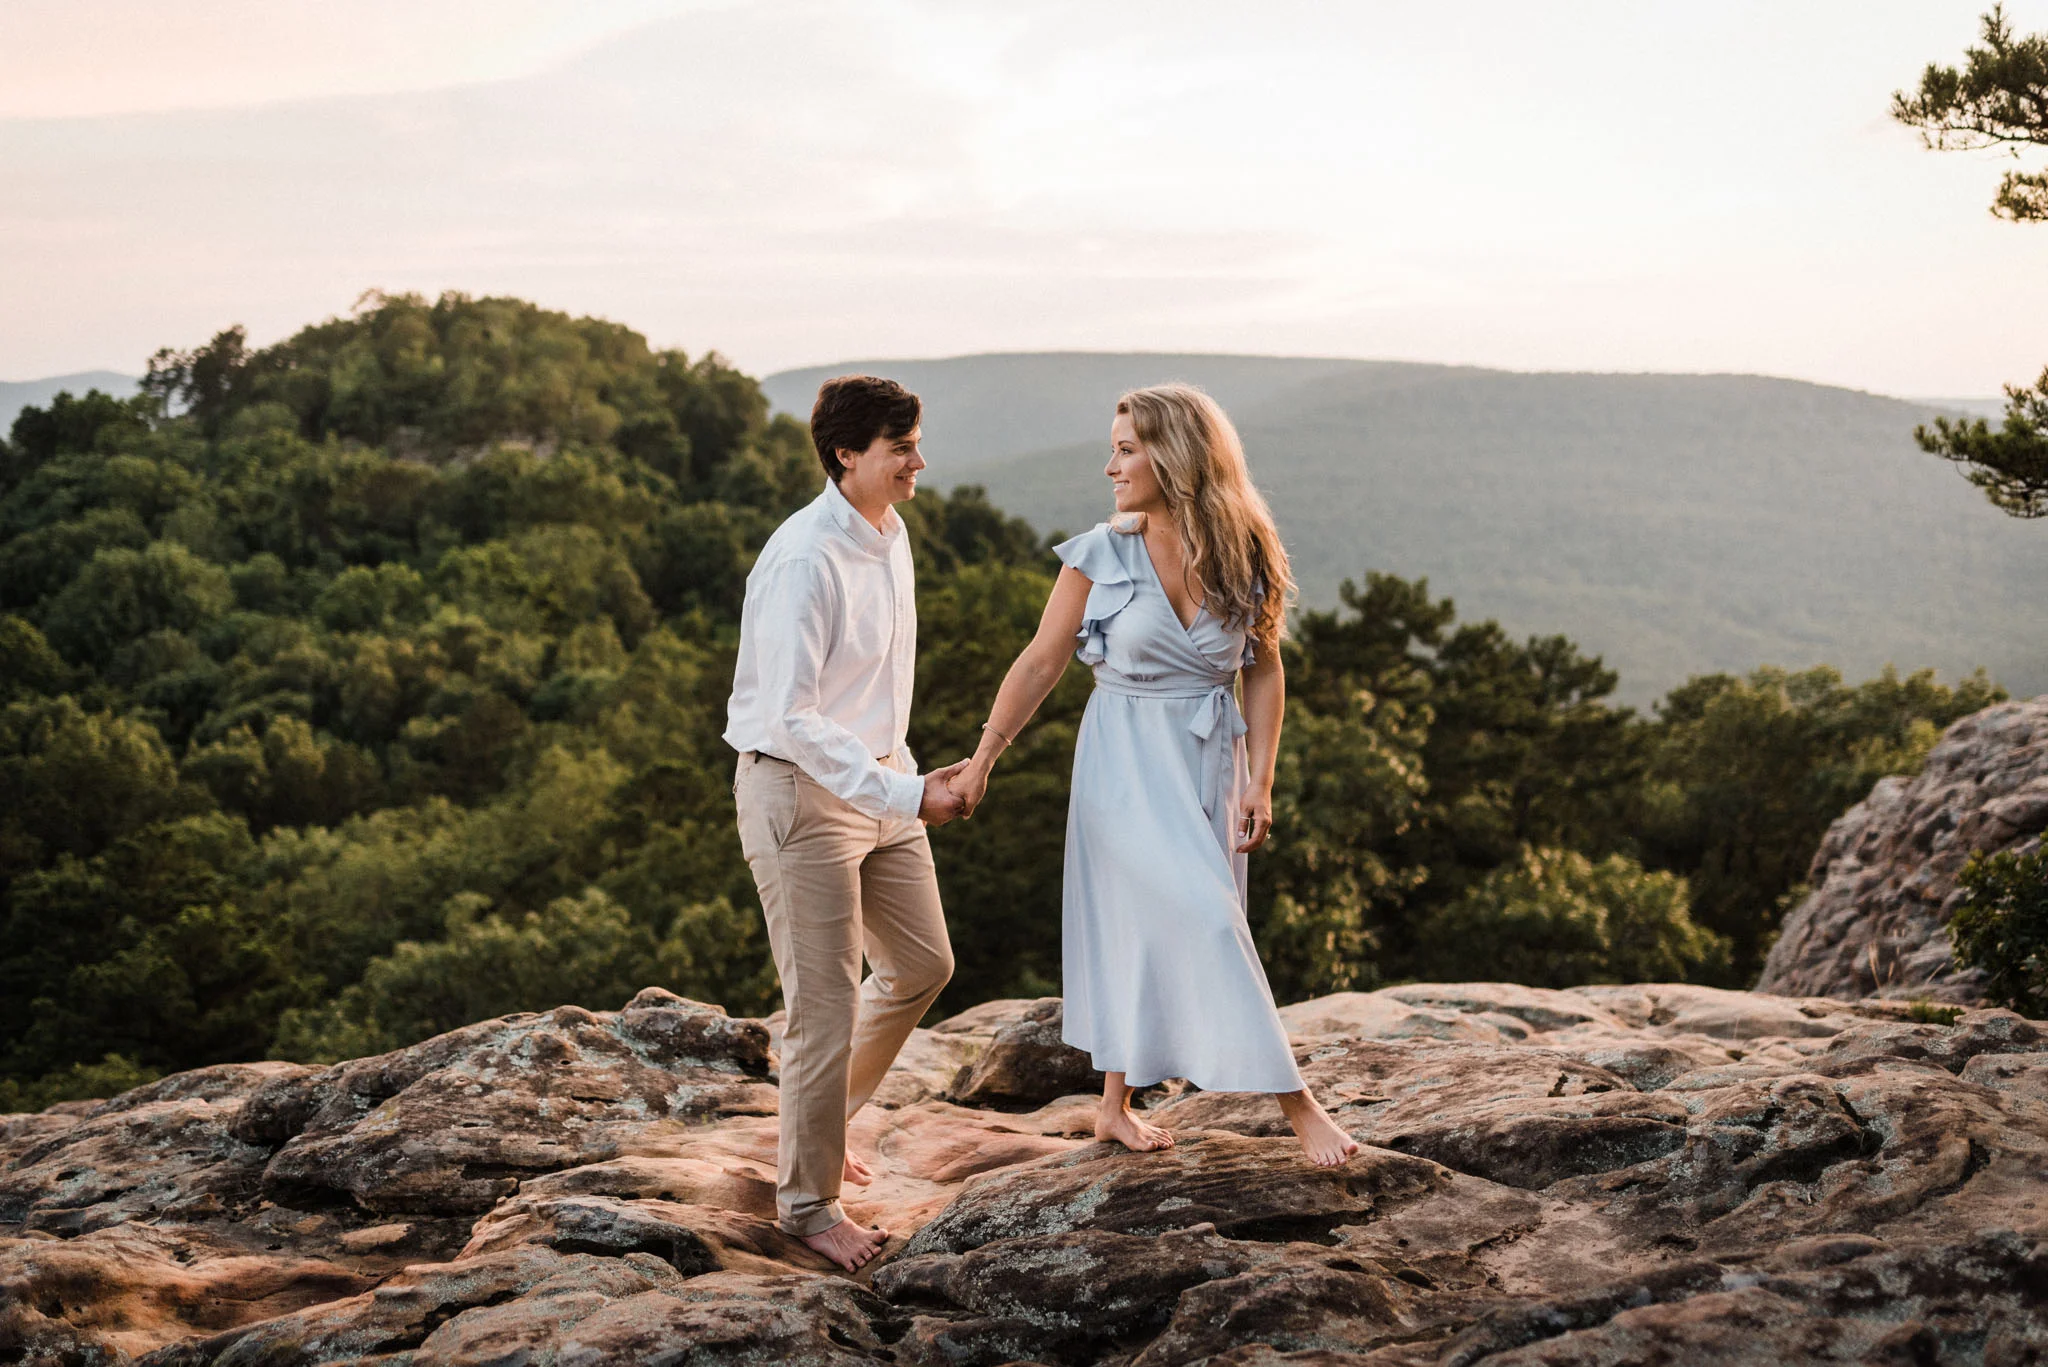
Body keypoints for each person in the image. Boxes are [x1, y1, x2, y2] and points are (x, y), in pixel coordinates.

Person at [948, 383, 1360, 1167]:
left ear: (1176, 456)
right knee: (1202, 919)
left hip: (1209, 759)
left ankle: (1113, 1107)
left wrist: (1260, 780)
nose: (1110, 465)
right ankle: (1298, 1105)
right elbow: (1041, 662)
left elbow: (1263, 667)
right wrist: (983, 759)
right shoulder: (1099, 553)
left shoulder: (1247, 547)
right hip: (1122, 760)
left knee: (1159, 925)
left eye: (1127, 449)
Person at [724, 374, 968, 1271]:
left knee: (922, 964)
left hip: (879, 779)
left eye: (914, 443)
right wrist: (905, 795)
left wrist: (904, 778)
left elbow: (864, 691)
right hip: (800, 791)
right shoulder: (804, 558)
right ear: (846, 455)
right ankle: (807, 1203)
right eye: (901, 447)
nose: (917, 460)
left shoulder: (890, 534)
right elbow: (791, 716)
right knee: (822, 1004)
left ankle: (819, 1127)